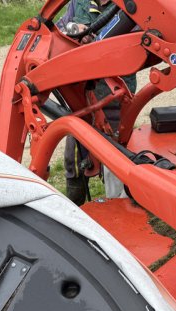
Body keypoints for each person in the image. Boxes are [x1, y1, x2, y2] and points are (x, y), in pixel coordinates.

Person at [62, 0, 137, 204]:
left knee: (115, 151)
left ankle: (118, 205)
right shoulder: (79, 4)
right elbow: (60, 31)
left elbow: (142, 40)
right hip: (85, 93)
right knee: (75, 152)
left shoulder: (131, 5)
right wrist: (74, 30)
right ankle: (75, 203)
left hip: (117, 91)